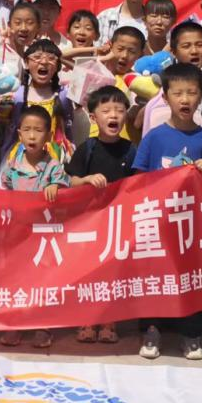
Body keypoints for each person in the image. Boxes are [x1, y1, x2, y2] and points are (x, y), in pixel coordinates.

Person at [133, 62, 202, 360]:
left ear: (200, 98)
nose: (185, 99)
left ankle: (191, 334)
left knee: (191, 277)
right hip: (157, 222)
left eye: (192, 93)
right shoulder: (154, 137)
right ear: (165, 97)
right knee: (155, 275)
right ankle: (151, 330)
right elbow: (139, 178)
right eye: (178, 93)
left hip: (192, 224)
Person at [0, 105, 72, 349]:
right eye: (26, 130)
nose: (32, 135)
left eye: (38, 131)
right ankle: (15, 323)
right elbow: (0, 194)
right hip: (16, 236)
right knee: (15, 279)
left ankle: (42, 325)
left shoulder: (53, 166)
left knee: (42, 280)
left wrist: (56, 186)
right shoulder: (11, 167)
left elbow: (67, 186)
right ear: (19, 134)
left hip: (43, 237)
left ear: (48, 135)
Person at [67, 85, 137, 344]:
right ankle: (86, 319)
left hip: (118, 225)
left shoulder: (131, 150)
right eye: (106, 111)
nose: (113, 115)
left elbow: (139, 184)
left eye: (119, 110)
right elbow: (71, 182)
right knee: (88, 272)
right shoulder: (87, 148)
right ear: (93, 117)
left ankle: (109, 321)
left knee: (113, 272)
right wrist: (86, 180)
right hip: (89, 224)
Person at [0, 38, 74, 165]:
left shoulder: (64, 95)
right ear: (26, 63)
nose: (44, 62)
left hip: (54, 163)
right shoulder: (16, 95)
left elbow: (91, 83)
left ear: (57, 66)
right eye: (37, 57)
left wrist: (62, 58)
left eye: (51, 58)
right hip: (18, 164)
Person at [138, 20, 202, 136]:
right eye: (186, 46)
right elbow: (138, 122)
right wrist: (155, 100)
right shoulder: (161, 81)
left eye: (200, 45)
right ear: (173, 52)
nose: (194, 51)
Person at [92, 26, 145, 141]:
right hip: (92, 143)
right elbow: (61, 56)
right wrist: (102, 57)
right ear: (110, 46)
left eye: (132, 51)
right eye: (120, 49)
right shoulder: (94, 73)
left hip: (127, 145)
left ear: (141, 54)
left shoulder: (139, 83)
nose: (124, 56)